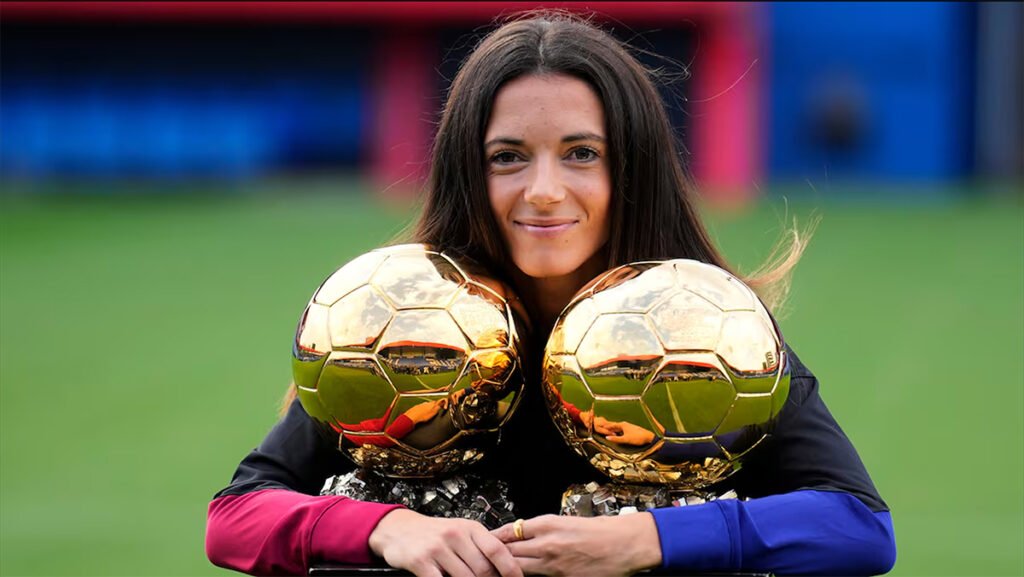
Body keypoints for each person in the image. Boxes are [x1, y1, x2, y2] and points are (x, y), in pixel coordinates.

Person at [206, 12, 896, 577]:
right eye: (507, 157)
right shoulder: (400, 330)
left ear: (634, 169)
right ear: (466, 175)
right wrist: (387, 526)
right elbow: (234, 517)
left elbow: (860, 526)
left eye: (581, 153)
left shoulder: (708, 340)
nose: (541, 190)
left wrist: (650, 538)